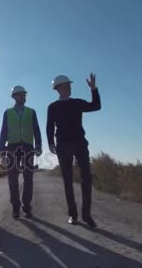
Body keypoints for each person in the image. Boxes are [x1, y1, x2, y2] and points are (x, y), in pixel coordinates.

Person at [47, 73, 101, 228]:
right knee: (68, 181)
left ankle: (87, 215)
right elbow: (49, 126)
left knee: (86, 178)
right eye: (67, 85)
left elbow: (96, 106)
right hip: (63, 146)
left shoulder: (77, 103)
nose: (70, 87)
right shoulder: (53, 107)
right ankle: (73, 214)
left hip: (80, 144)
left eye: (70, 85)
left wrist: (93, 89)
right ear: (59, 88)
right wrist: (51, 142)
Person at [0, 85, 42, 219]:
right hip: (12, 147)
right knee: (13, 178)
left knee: (28, 178)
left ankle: (27, 206)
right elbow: (3, 133)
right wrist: (2, 152)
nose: (22, 97)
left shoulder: (31, 112)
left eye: (23, 95)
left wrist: (39, 145)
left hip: (28, 147)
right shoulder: (8, 113)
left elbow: (36, 130)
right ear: (14, 97)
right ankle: (16, 207)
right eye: (19, 95)